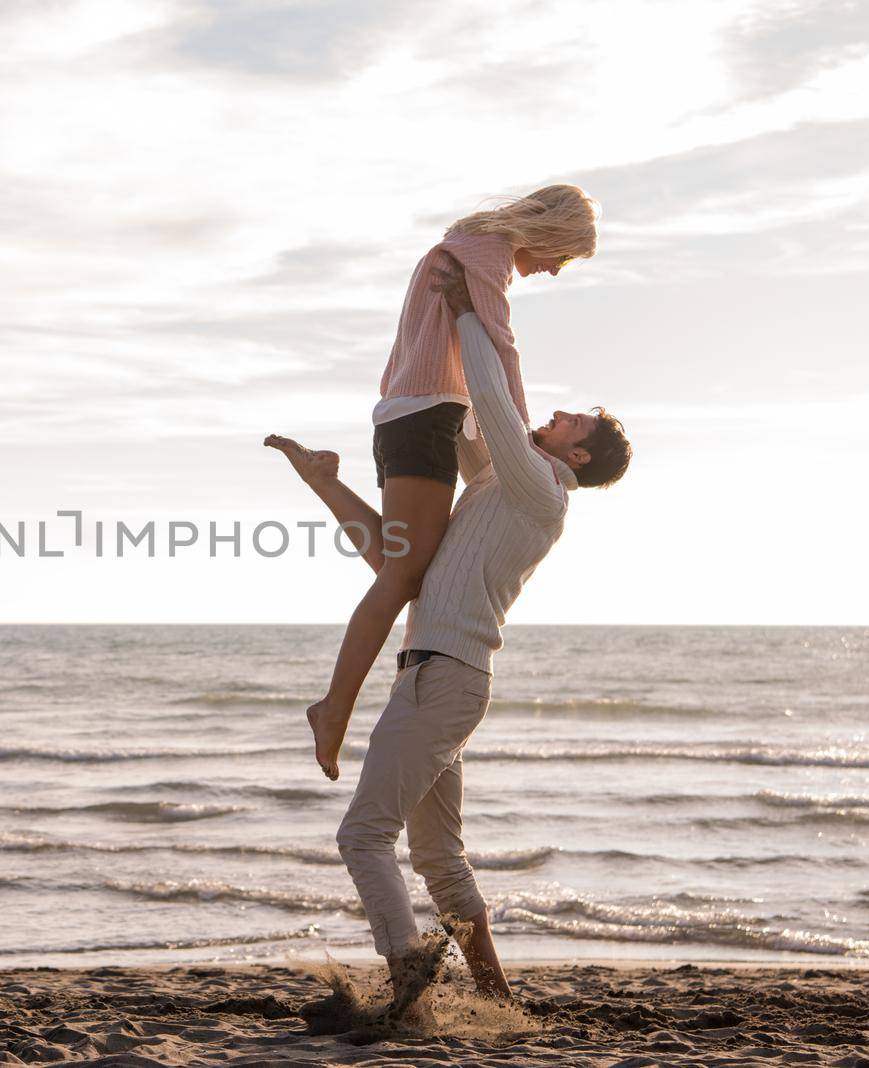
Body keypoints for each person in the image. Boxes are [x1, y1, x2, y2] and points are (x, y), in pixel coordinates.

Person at [263, 272, 632, 1011]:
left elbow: (493, 409)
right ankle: (496, 999)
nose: (554, 416)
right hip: (445, 679)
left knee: (363, 837)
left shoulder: (539, 489)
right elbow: (420, 509)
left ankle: (406, 965)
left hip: (444, 678)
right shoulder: (505, 482)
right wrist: (323, 482)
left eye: (571, 423)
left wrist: (467, 311)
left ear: (578, 458)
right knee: (437, 857)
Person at [304, 185, 601, 782]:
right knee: (403, 575)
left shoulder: (466, 243)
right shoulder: (489, 252)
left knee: (409, 566)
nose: (554, 268)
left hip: (410, 413)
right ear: (554, 232)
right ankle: (333, 708)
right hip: (426, 416)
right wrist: (518, 434)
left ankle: (323, 482)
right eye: (563, 256)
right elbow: (499, 347)